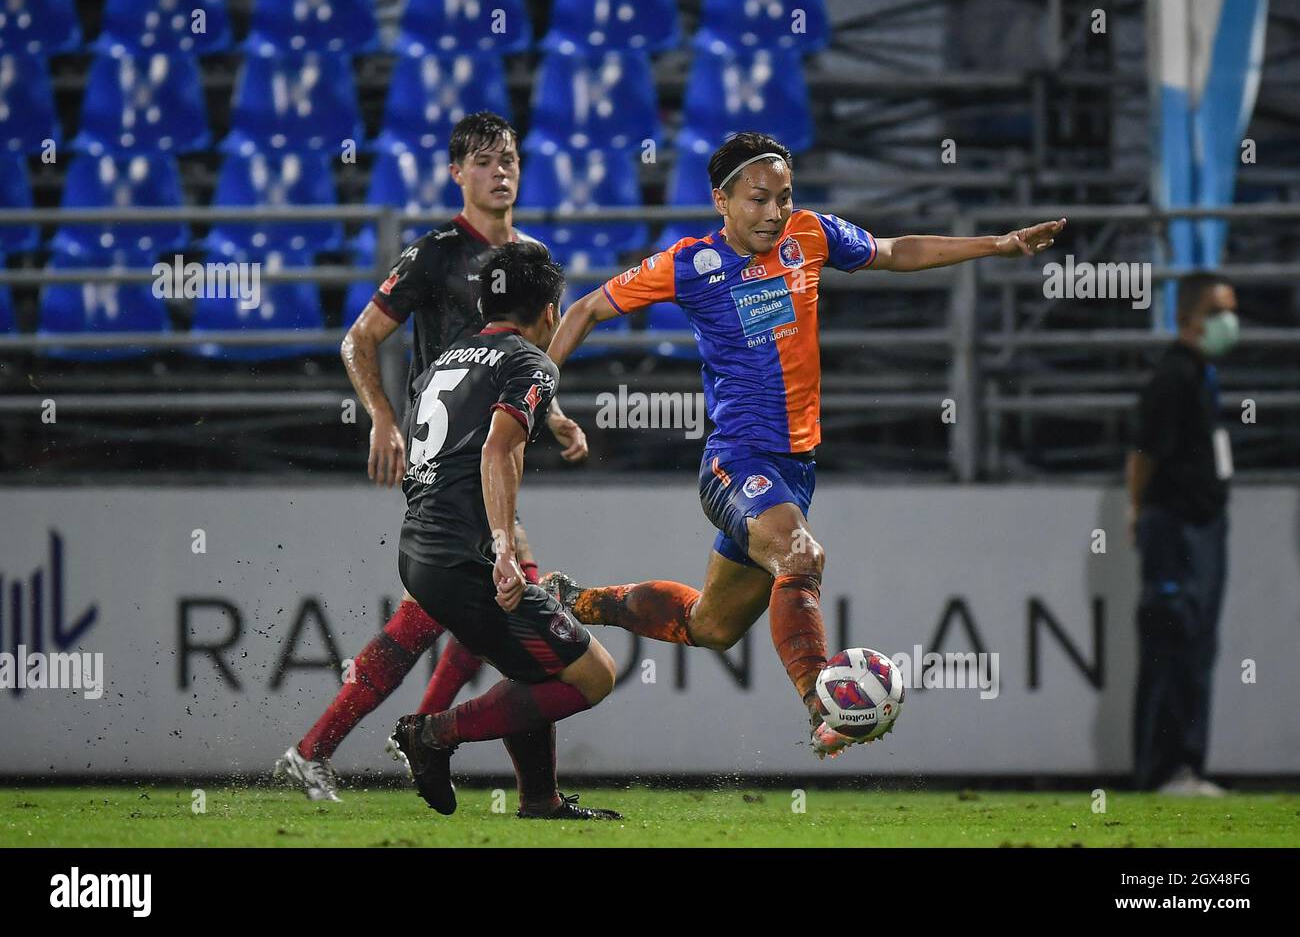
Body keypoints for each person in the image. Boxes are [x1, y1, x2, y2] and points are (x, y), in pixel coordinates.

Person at [541, 131, 1064, 758]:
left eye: (784, 198)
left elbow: (896, 250)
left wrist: (999, 245)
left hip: (796, 469)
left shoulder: (810, 236)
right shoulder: (690, 262)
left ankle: (576, 601)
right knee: (801, 556)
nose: (774, 213)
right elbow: (584, 311)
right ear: (722, 201)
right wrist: (539, 396)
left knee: (712, 626)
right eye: (759, 200)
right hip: (735, 461)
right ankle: (827, 703)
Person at [275, 113, 591, 818]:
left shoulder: (532, 255)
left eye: (507, 157)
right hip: (447, 458)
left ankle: (388, 739)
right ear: (457, 174)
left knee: (475, 612)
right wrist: (384, 418)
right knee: (510, 605)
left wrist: (555, 413)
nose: (499, 170)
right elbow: (359, 341)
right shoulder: (435, 254)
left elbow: (528, 367)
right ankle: (413, 739)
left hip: (494, 449)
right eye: (482, 161)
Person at [390, 242, 619, 819]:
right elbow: (498, 448)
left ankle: (539, 800)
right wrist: (501, 548)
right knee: (593, 675)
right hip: (465, 556)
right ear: (549, 312)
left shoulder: (444, 360)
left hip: (420, 548)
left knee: (530, 668)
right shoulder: (530, 363)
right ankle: (433, 734)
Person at [1127, 272, 1238, 797]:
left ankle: (1186, 765)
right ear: (1187, 316)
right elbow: (1143, 453)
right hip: (1174, 526)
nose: (1228, 322)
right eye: (1217, 311)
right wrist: (1137, 511)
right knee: (1171, 641)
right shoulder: (1172, 378)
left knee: (1196, 646)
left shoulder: (1201, 374)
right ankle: (1162, 768)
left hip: (1203, 526)